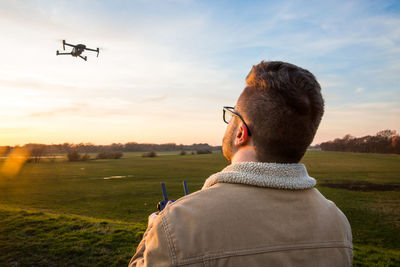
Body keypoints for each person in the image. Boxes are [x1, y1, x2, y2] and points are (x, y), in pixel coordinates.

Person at [129, 61, 353, 267]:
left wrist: (154, 229)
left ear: (241, 132)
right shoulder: (337, 223)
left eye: (232, 115)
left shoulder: (177, 225)